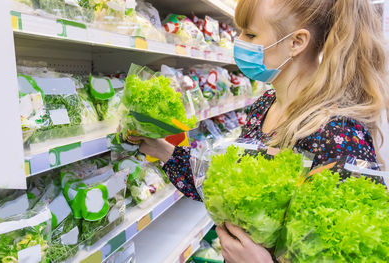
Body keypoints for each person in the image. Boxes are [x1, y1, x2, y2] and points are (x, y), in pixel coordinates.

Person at [130, 0, 389, 262]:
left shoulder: (338, 133)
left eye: (250, 34)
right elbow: (235, 191)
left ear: (296, 42)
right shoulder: (265, 105)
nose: (238, 41)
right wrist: (161, 149)